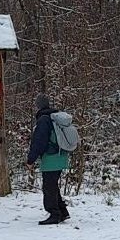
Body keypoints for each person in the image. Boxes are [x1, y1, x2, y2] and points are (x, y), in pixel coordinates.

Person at [27, 91, 70, 224]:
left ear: (38, 106)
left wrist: (30, 159)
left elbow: (39, 141)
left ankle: (54, 214)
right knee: (52, 185)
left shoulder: (44, 120)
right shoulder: (54, 118)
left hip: (51, 157)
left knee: (48, 187)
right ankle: (62, 211)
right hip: (60, 155)